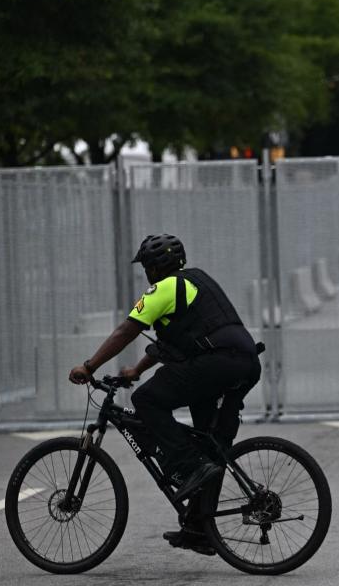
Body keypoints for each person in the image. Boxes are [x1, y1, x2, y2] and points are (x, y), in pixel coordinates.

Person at [69, 233, 261, 555]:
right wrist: (138, 370)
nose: (146, 273)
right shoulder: (197, 281)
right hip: (243, 363)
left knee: (145, 399)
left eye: (146, 267)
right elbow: (177, 341)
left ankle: (188, 466)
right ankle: (200, 528)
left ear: (155, 268)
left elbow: (126, 331)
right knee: (209, 443)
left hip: (218, 363)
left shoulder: (163, 288)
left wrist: (89, 366)